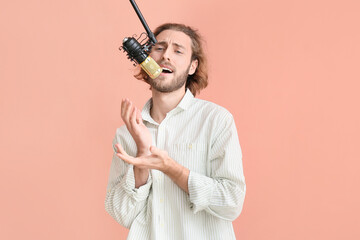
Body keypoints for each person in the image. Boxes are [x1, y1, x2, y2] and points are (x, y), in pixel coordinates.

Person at [105, 23, 246, 240]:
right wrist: (142, 154)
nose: (166, 56)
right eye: (159, 48)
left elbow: (231, 201)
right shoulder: (127, 134)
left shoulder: (216, 120)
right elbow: (122, 214)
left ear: (192, 66)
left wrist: (170, 168)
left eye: (178, 50)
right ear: (145, 59)